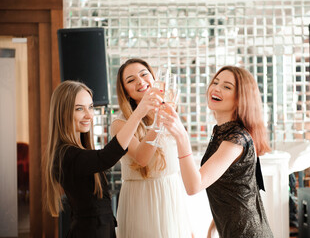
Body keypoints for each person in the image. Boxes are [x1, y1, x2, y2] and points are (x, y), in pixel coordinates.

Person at [160, 66, 274, 238]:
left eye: (227, 86)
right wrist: (215, 226)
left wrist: (182, 137)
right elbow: (233, 192)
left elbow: (193, 186)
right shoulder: (223, 133)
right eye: (215, 82)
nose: (216, 88)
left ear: (240, 99)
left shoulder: (236, 140)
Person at [44, 80, 162, 238]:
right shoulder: (65, 155)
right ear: (63, 112)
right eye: (79, 109)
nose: (89, 115)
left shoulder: (80, 150)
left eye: (91, 107)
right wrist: (138, 113)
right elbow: (106, 157)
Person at [112, 58, 192, 238]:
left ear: (153, 78)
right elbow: (141, 158)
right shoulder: (119, 123)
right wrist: (157, 122)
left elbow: (180, 158)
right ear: (125, 91)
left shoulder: (168, 111)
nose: (140, 81)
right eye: (131, 80)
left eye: (144, 74)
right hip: (141, 200)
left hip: (171, 195)